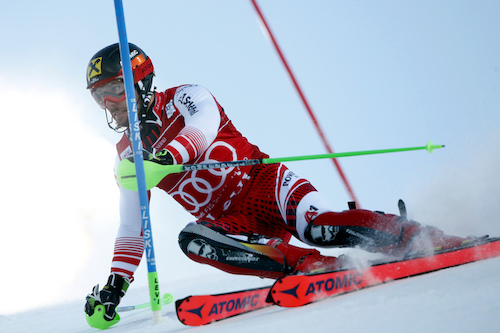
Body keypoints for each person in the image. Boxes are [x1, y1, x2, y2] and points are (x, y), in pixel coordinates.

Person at [84, 43, 474, 324]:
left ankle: (418, 237)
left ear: (141, 81)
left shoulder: (185, 96)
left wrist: (166, 159)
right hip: (233, 222)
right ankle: (310, 266)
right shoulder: (126, 156)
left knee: (320, 226)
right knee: (193, 239)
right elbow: (131, 227)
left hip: (265, 185)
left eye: (116, 89)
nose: (110, 103)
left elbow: (202, 130)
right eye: (100, 96)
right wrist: (114, 287)